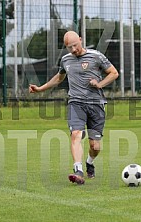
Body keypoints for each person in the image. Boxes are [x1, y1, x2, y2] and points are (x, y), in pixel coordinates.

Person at [29, 31, 119, 185]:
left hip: (96, 105)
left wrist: (100, 84)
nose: (73, 50)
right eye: (69, 48)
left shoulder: (96, 56)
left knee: (95, 146)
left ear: (81, 40)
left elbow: (113, 73)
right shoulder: (66, 60)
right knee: (76, 134)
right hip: (76, 103)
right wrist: (40, 89)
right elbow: (59, 78)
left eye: (75, 46)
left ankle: (90, 162)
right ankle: (78, 171)